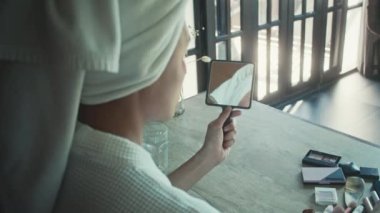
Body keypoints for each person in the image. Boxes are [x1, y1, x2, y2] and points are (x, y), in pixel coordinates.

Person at [0, 1, 240, 212]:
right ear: (145, 62)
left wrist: (207, 157)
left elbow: (133, 193)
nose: (185, 69)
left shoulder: (51, 159)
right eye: (181, 55)